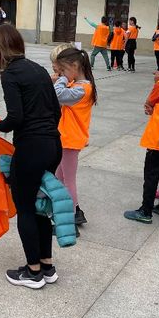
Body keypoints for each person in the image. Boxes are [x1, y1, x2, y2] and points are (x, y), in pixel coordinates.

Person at [0, 24, 62, 290]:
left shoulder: (10, 74)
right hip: (53, 145)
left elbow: (16, 117)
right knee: (40, 206)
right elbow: (56, 112)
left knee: (26, 208)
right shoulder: (38, 69)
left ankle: (33, 272)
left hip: (31, 148)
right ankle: (47, 266)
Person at [123, 45, 159, 224]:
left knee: (151, 176)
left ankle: (145, 210)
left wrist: (157, 82)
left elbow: (149, 102)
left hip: (158, 137)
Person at [51, 45, 97, 230]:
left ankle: (70, 220)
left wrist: (61, 79)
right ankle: (69, 213)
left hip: (70, 139)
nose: (61, 74)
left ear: (75, 66)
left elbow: (58, 94)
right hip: (66, 138)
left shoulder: (82, 89)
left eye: (63, 70)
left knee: (68, 180)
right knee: (59, 178)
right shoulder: (77, 85)